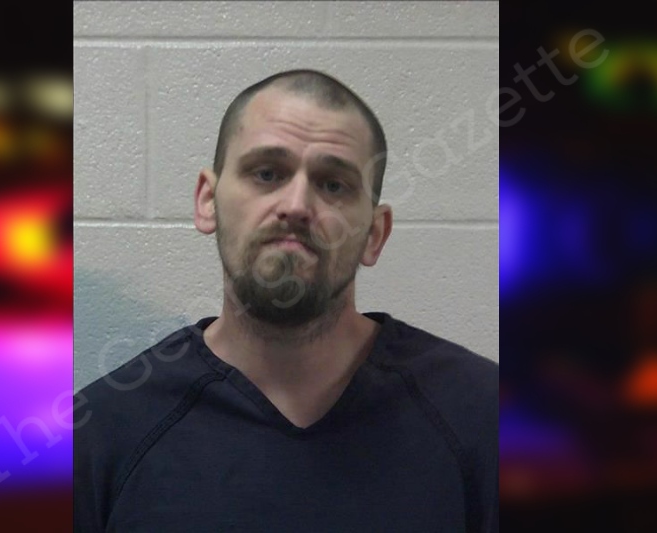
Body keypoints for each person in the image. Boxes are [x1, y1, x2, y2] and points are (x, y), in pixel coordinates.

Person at [74, 69, 498, 532]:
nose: (296, 205)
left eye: (333, 185)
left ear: (375, 234)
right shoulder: (101, 433)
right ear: (208, 200)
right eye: (267, 173)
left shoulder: (483, 417)